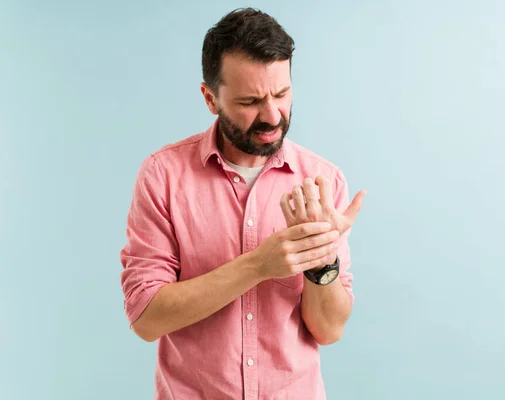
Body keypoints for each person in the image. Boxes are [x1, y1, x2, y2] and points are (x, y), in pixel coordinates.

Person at [120, 8, 366, 400]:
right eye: (250, 101)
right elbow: (147, 318)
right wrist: (258, 265)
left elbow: (329, 330)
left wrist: (322, 262)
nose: (272, 116)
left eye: (282, 94)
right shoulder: (162, 176)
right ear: (209, 97)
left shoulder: (322, 181)